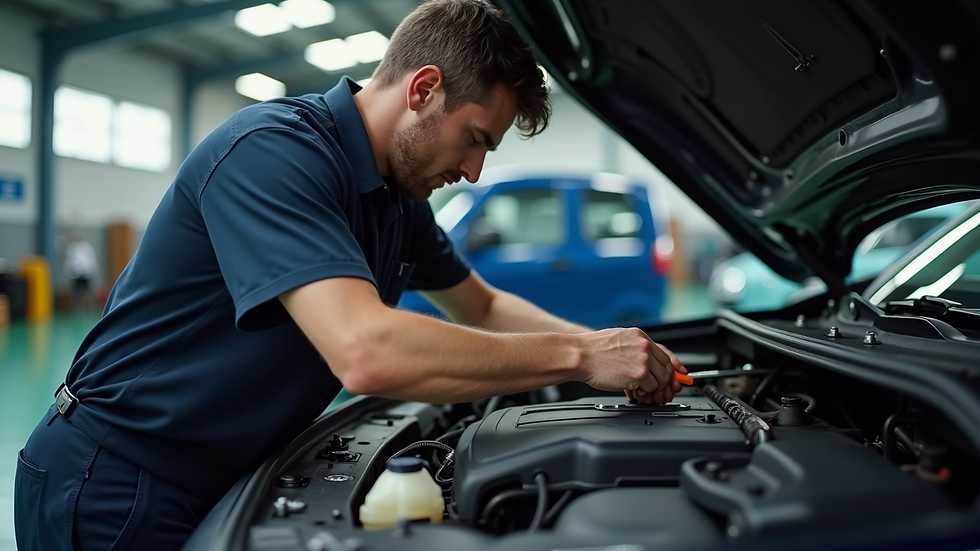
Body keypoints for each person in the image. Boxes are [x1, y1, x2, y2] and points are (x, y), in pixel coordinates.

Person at [14, 1, 686, 550]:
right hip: (116, 481)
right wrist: (578, 355)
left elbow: (479, 306)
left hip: (224, 473)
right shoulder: (273, 152)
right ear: (424, 89)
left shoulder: (398, 197)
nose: (475, 170)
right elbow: (364, 351)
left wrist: (615, 349)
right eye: (476, 138)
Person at [63, 232, 99, 312]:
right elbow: (69, 262)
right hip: (76, 275)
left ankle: (93, 308)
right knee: (76, 293)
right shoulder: (71, 248)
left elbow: (91, 259)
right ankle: (76, 309)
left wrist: (92, 270)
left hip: (86, 274)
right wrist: (69, 272)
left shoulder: (87, 247)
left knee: (89, 291)